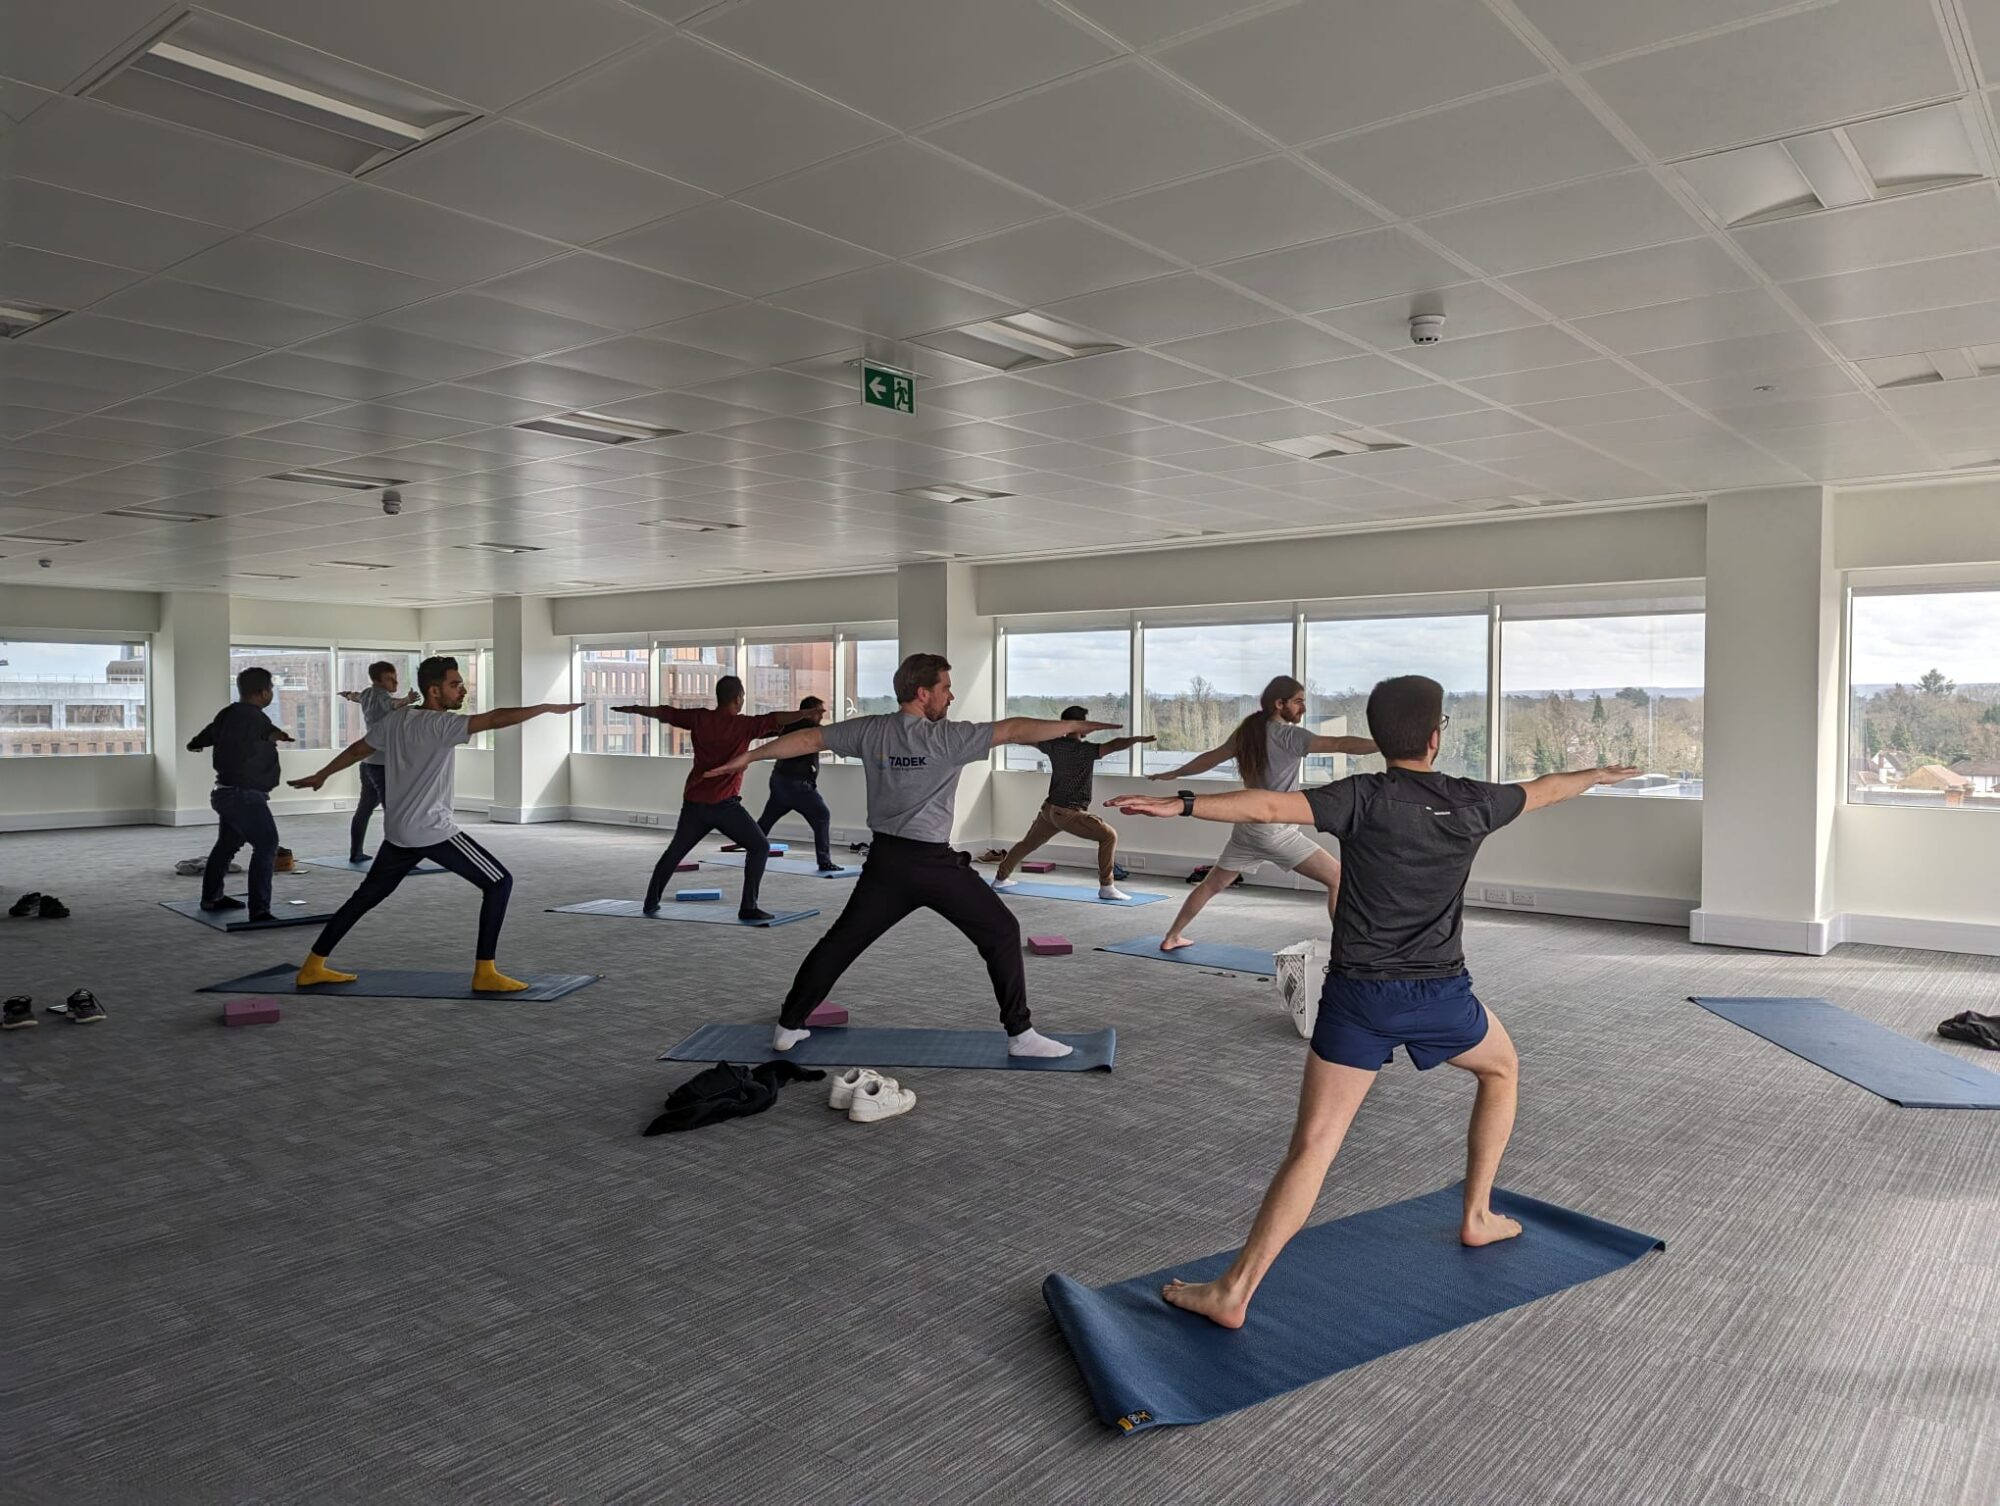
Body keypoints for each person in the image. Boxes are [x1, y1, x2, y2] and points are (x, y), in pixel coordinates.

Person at [1108, 675, 1638, 1329]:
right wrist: (1601, 772)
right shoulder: (1476, 800)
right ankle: (1477, 1215)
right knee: (1501, 1070)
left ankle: (1236, 1290)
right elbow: (1550, 788)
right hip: (1442, 994)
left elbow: (1268, 810)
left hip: (1359, 997)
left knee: (1316, 1144)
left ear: (1379, 739)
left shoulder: (1360, 796)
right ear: (1437, 736)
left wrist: (1181, 805)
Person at [714, 652, 1120, 1060]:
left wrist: (747, 757)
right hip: (930, 864)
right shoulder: (948, 738)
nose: (951, 695)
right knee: (1000, 931)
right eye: (945, 688)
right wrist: (1074, 726)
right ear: (923, 693)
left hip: (885, 863)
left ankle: (788, 1025)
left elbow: (807, 739)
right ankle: (1021, 1035)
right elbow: (1014, 729)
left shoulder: (871, 731)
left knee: (841, 942)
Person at [285, 656, 579, 993]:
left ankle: (312, 966)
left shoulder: (396, 720)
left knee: (364, 897)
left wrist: (322, 774)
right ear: (434, 690)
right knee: (499, 882)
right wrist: (543, 707)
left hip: (398, 832)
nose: (462, 690)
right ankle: (485, 972)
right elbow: (496, 719)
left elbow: (357, 750)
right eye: (456, 685)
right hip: (431, 830)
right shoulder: (442, 726)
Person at [1148, 675, 1376, 951]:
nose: (1303, 709)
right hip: (1273, 831)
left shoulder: (1249, 732)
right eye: (1298, 702)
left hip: (1248, 828)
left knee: (1211, 885)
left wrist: (1175, 773)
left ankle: (1172, 936)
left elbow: (1211, 756)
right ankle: (1346, 950)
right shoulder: (1289, 736)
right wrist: (1385, 745)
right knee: (1338, 878)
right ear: (1279, 704)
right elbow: (1340, 744)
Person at [613, 678, 797, 920]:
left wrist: (636, 709)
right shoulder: (744, 725)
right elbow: (776, 719)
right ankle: (748, 907)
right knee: (760, 846)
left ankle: (650, 902)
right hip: (725, 806)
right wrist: (806, 713)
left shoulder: (700, 719)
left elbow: (665, 713)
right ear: (738, 699)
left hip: (695, 803)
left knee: (675, 852)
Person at [991, 708, 1154, 900]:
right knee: (1109, 836)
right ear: (1080, 725)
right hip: (1068, 813)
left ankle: (1000, 878)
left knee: (1027, 844)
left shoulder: (1053, 745)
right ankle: (1107, 886)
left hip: (1050, 811)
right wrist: (1136, 740)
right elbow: (1114, 745)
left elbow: (1024, 737)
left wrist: (1007, 735)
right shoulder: (1085, 750)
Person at [188, 666, 294, 923]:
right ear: (263, 692)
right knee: (267, 845)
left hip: (225, 792)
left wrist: (196, 743)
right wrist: (276, 734)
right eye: (270, 690)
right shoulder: (255, 717)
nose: (271, 694)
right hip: (245, 796)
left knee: (226, 846)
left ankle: (212, 898)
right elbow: (262, 731)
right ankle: (259, 910)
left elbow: (208, 734)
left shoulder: (227, 713)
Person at [336, 661, 418, 864]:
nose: (395, 681)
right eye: (390, 678)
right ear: (378, 681)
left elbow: (356, 697)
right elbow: (392, 704)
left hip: (368, 762)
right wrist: (407, 700)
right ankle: (398, 858)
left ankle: (356, 852)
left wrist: (347, 695)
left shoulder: (367, 693)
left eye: (395, 677)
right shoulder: (382, 696)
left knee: (364, 809)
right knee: (394, 811)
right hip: (382, 764)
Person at [754, 695, 839, 872]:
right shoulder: (811, 729)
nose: (822, 716)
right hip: (797, 785)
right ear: (809, 713)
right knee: (822, 815)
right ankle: (824, 861)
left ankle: (751, 848)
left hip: (779, 780)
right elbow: (834, 736)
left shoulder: (788, 726)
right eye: (819, 712)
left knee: (767, 820)